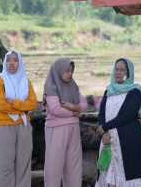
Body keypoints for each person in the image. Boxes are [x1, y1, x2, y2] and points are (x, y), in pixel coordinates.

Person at [96, 58, 141, 186]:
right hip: (108, 139)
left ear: (129, 73)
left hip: (127, 140)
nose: (118, 72)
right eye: (116, 69)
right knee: (107, 172)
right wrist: (104, 133)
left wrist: (104, 127)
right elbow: (102, 113)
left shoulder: (135, 92)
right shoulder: (108, 91)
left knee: (127, 175)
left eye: (122, 70)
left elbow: (127, 115)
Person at [0, 50, 38, 187]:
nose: (11, 63)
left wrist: (13, 102)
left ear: (20, 63)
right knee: (5, 166)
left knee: (23, 167)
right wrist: (22, 108)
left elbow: (33, 104)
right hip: (5, 126)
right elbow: (1, 106)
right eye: (8, 60)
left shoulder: (26, 82)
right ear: (4, 63)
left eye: (15, 60)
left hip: (24, 126)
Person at [43, 58, 88, 187]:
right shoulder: (51, 86)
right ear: (59, 70)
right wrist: (74, 114)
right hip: (56, 130)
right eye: (67, 71)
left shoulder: (72, 86)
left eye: (71, 71)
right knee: (54, 167)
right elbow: (55, 109)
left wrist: (74, 107)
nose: (70, 74)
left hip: (73, 129)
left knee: (74, 167)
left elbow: (85, 104)